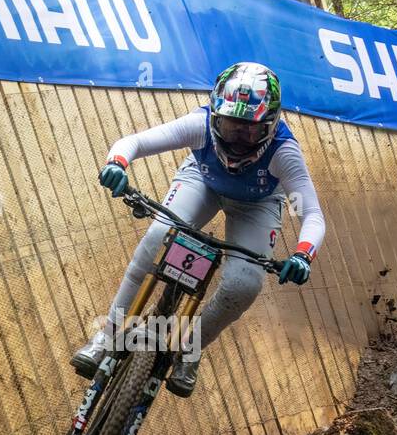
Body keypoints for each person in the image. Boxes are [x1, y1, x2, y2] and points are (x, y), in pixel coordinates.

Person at [70, 61, 326, 397]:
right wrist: (117, 164)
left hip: (257, 203)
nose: (237, 138)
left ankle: (190, 348)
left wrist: (303, 254)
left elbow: (312, 215)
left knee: (243, 284)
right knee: (157, 237)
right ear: (215, 114)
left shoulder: (284, 153)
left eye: (250, 130)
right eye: (230, 125)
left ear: (271, 125)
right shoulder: (200, 125)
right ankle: (108, 335)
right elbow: (134, 142)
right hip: (203, 180)